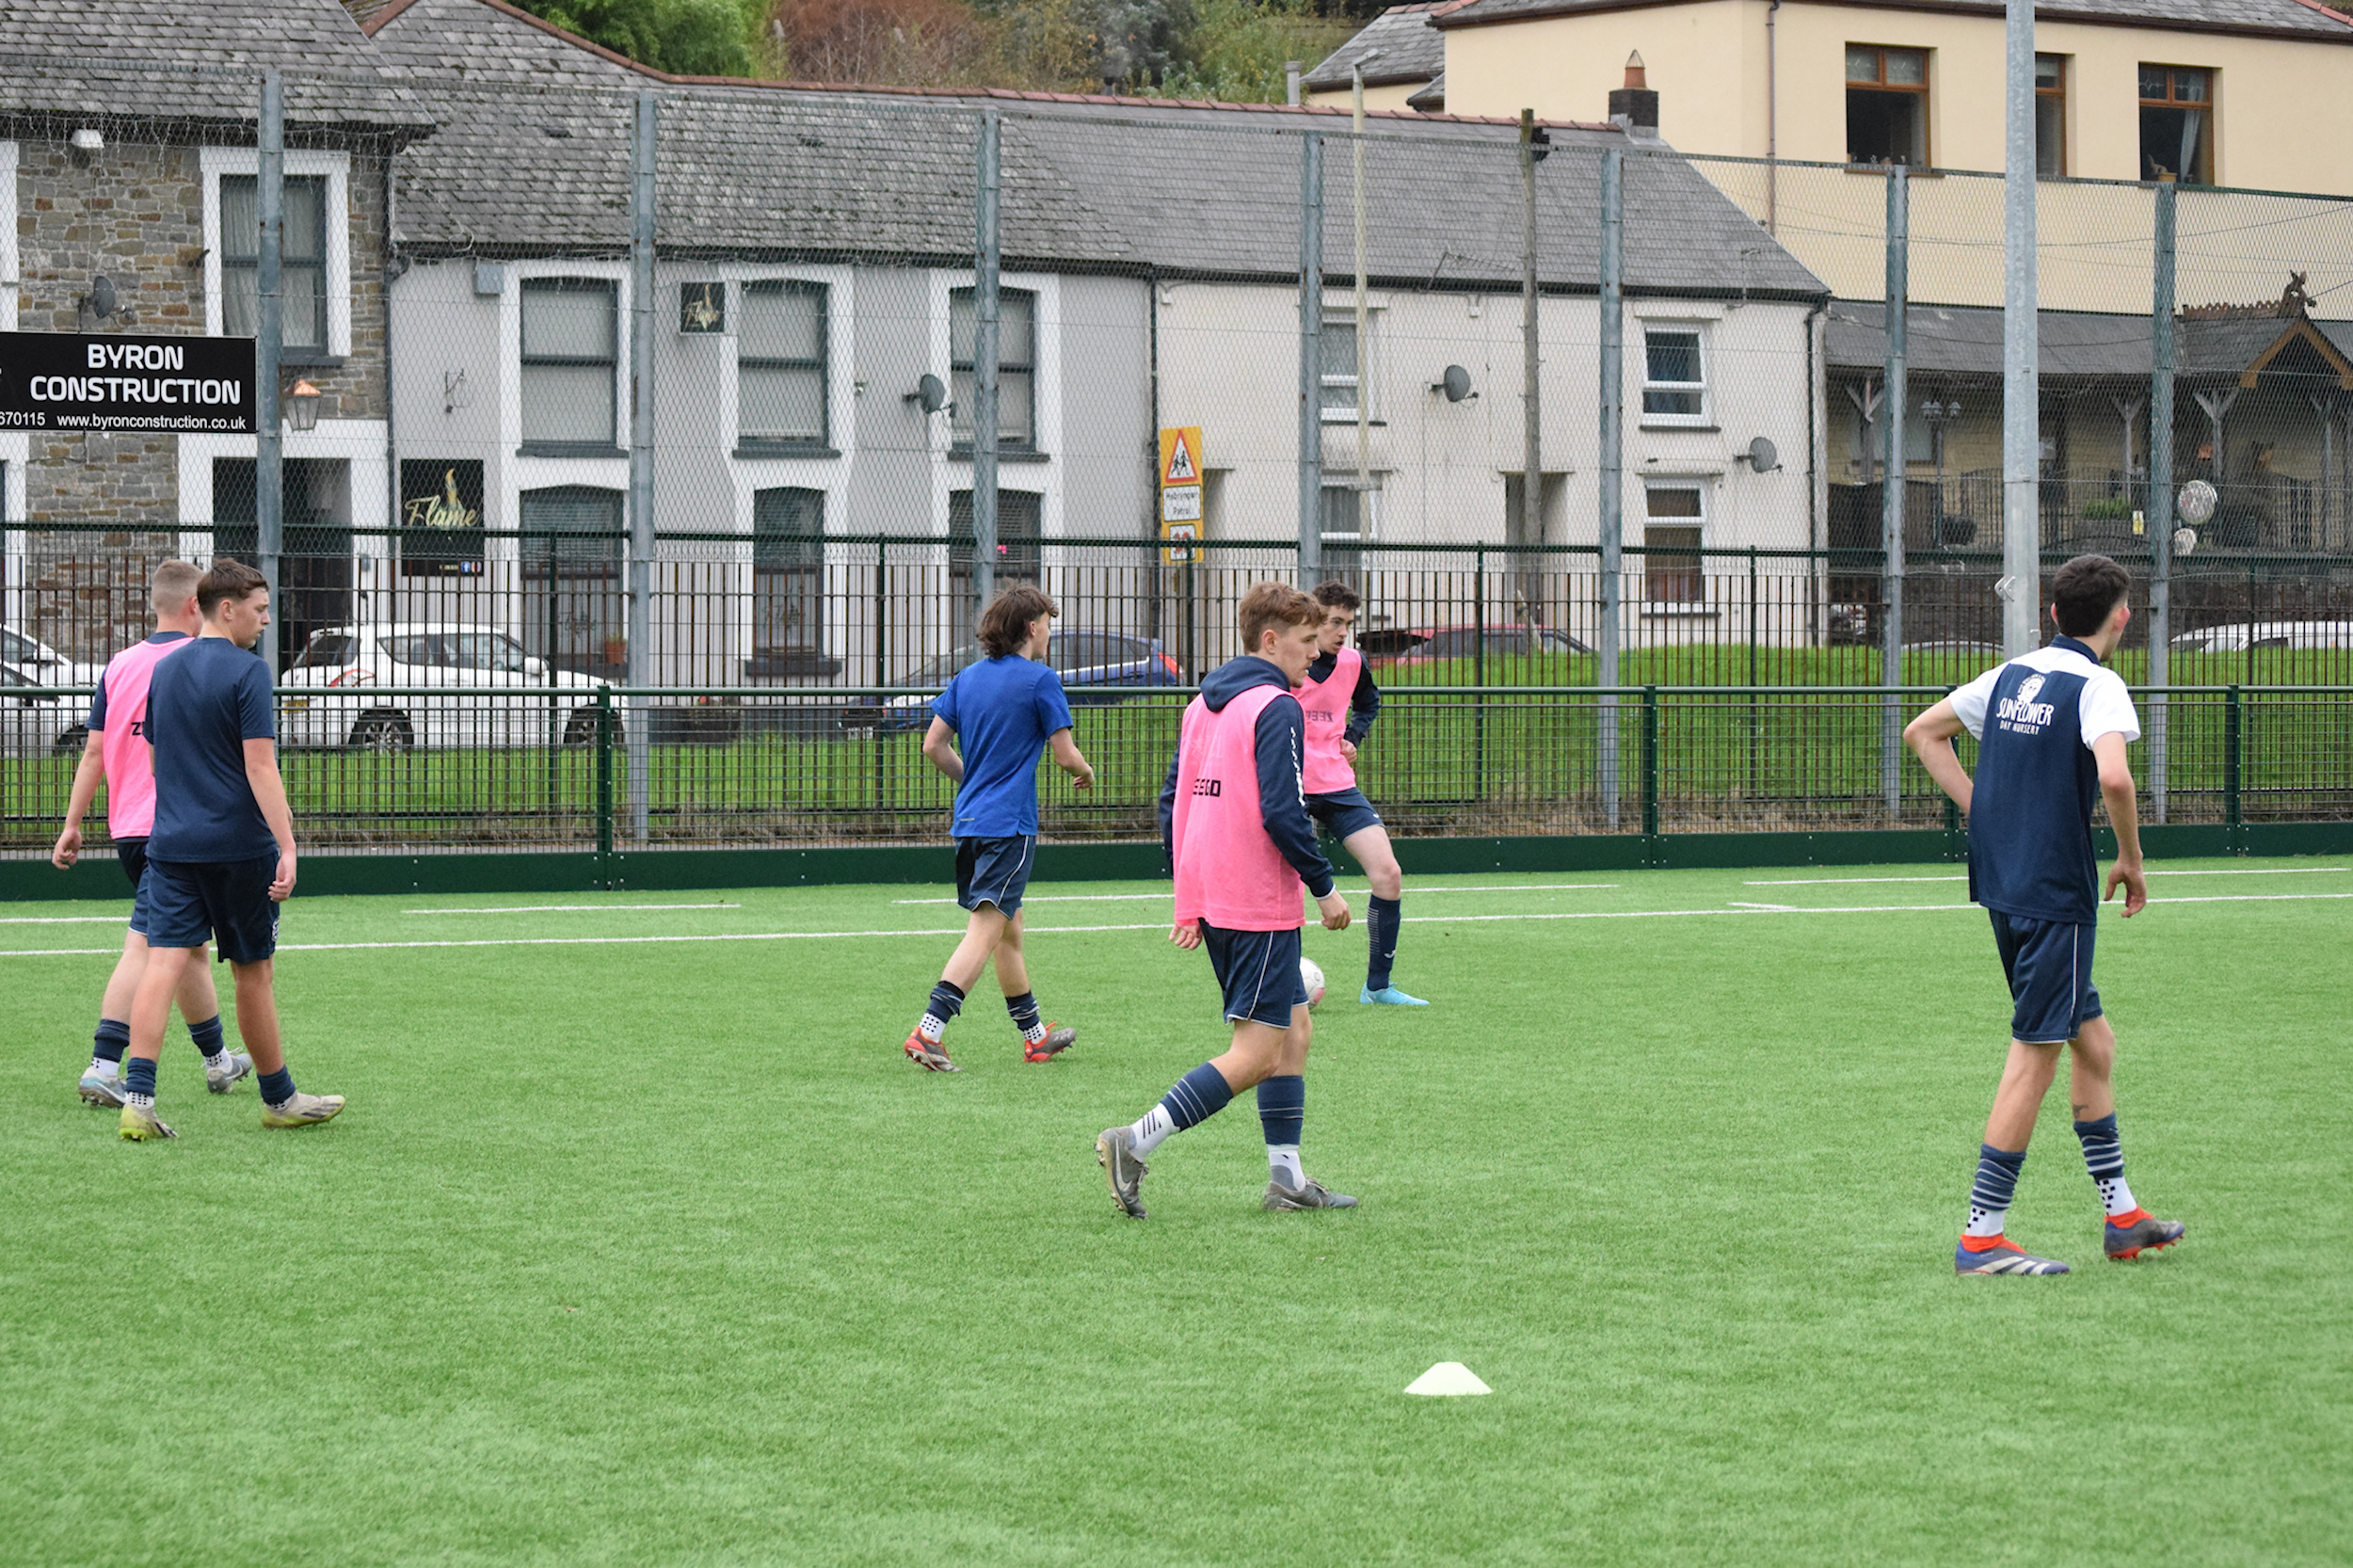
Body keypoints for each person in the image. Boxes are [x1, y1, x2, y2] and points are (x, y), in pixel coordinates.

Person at [1903, 553, 2184, 1274]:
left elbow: (1923, 734)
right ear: (2121, 618)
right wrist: (2132, 859)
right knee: (2037, 1053)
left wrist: (1986, 813)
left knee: (2096, 1043)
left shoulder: (2013, 675)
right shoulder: (2100, 685)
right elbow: (2116, 777)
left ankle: (2122, 1217)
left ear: (2055, 615)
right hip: (2056, 893)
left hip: (2004, 884)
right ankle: (1982, 1238)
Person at [1096, 582, 1357, 1219]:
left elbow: (1174, 802)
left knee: (1294, 1032)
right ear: (1270, 640)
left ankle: (1287, 1180)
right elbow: (1284, 811)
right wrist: (1324, 888)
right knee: (1257, 1052)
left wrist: (1188, 895)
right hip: (1257, 898)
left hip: (1216, 892)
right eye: (1303, 644)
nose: (1313, 658)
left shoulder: (1202, 705)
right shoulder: (1276, 707)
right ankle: (1134, 1140)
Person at [116, 557, 343, 1141]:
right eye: (261, 609)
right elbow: (261, 767)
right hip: (240, 847)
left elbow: (153, 758)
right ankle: (279, 1099)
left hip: (171, 844)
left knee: (163, 962)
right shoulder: (249, 672)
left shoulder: (164, 671)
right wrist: (288, 845)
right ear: (227, 608)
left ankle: (137, 1100)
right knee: (253, 973)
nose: (267, 620)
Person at [52, 560, 248, 1108]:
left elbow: (93, 752)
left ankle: (217, 1061)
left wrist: (72, 824)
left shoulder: (118, 665)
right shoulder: (196, 665)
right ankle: (104, 1064)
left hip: (129, 830)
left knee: (185, 950)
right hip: (179, 831)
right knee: (147, 946)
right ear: (196, 607)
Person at [903, 584, 1096, 1071]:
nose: (1050, 632)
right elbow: (1064, 754)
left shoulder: (967, 679)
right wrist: (1085, 772)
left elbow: (933, 746)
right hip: (1009, 826)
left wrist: (976, 781)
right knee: (986, 930)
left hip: (970, 822)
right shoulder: (1040, 680)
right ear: (1031, 628)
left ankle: (1035, 1037)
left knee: (1009, 931)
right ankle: (929, 1031)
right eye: (1048, 624)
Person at [1299, 579, 1424, 1005]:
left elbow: (1369, 703)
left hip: (1336, 783)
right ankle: (1272, 985)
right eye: (1334, 622)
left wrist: (1353, 735)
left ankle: (1378, 987)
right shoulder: (1286, 664)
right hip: (1289, 785)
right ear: (1313, 619)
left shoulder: (1353, 662)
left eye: (1347, 624)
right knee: (1283, 887)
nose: (1341, 632)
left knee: (1388, 874)